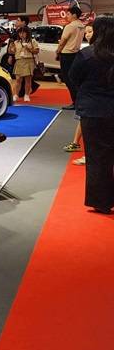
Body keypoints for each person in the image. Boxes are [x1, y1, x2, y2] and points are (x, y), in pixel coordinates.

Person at [68, 15, 114, 214]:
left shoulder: (87, 54)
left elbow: (73, 77)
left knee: (97, 158)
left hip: (93, 111)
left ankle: (102, 202)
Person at [63, 23, 95, 156]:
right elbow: (74, 76)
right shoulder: (86, 52)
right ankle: (76, 143)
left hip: (96, 97)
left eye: (90, 31)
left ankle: (89, 155)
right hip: (88, 96)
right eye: (86, 32)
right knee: (83, 119)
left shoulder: (91, 53)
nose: (87, 35)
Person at [56, 5, 85, 109]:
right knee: (75, 78)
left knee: (68, 79)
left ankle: (75, 102)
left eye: (68, 14)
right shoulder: (82, 25)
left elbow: (63, 41)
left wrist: (58, 51)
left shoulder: (70, 26)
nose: (66, 16)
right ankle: (79, 101)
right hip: (76, 53)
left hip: (67, 54)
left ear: (74, 15)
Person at [11, 26, 39, 102]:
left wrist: (28, 48)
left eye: (23, 33)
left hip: (28, 61)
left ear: (27, 33)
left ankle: (26, 95)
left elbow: (36, 51)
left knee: (28, 80)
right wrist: (12, 48)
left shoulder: (32, 41)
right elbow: (12, 52)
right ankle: (16, 95)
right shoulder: (16, 42)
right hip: (19, 61)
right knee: (18, 79)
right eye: (20, 33)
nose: (21, 34)